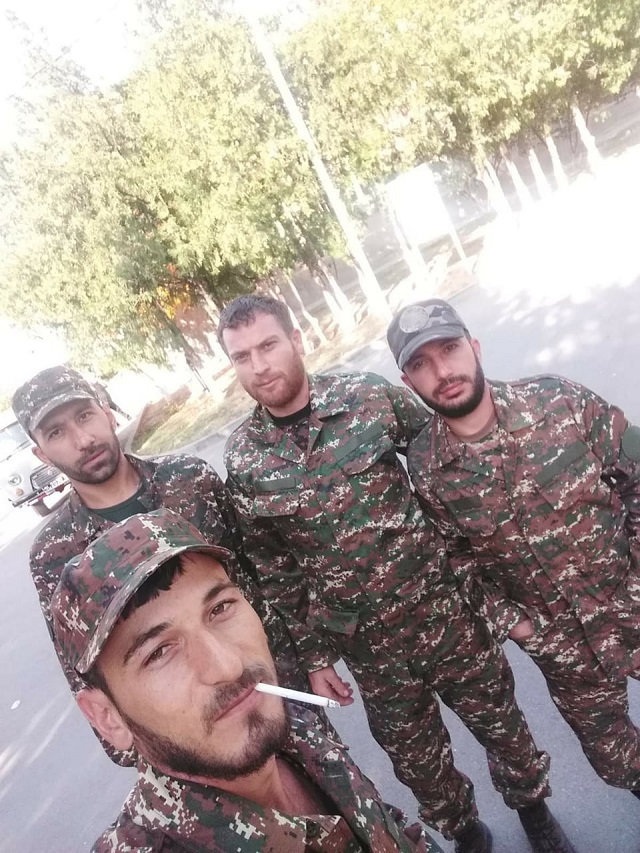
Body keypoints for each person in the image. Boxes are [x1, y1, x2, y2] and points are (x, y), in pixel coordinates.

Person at [218, 295, 573, 853]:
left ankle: (534, 811)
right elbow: (274, 566)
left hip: (446, 614)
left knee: (502, 726)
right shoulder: (244, 457)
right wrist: (315, 657)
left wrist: (493, 562)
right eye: (242, 356)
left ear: (296, 340)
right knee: (418, 764)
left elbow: (444, 455)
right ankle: (466, 832)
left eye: (268, 345)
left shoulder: (367, 398)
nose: (259, 366)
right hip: (369, 650)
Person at [50, 508, 440, 852]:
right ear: (107, 718)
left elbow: (382, 824)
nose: (229, 668)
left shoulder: (288, 725)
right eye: (158, 652)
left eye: (220, 608)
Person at [388, 297, 640, 805]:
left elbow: (635, 473)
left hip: (631, 597)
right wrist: (515, 624)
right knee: (618, 761)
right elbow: (456, 558)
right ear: (408, 383)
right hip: (563, 646)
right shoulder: (428, 466)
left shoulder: (556, 400)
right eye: (421, 363)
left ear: (475, 348)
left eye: (450, 349)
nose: (443, 372)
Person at [11, 365, 312, 767]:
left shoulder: (189, 479)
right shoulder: (55, 553)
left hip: (279, 687)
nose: (83, 440)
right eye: (55, 432)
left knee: (334, 790)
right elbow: (82, 671)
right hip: (195, 738)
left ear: (107, 412)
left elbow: (263, 571)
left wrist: (312, 656)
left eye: (84, 415)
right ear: (41, 453)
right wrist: (142, 757)